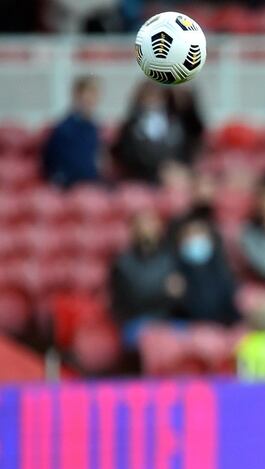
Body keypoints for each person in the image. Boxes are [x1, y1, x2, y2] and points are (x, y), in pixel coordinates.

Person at [109, 209, 179, 348]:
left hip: (169, 321)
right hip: (137, 322)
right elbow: (129, 300)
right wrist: (164, 291)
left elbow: (181, 295)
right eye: (141, 225)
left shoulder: (171, 258)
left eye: (151, 224)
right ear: (132, 230)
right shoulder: (123, 263)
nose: (146, 229)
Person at [42, 75, 103, 188]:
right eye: (88, 93)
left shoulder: (94, 127)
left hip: (92, 183)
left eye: (94, 94)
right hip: (70, 185)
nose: (91, 99)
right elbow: (51, 162)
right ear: (77, 95)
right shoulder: (64, 128)